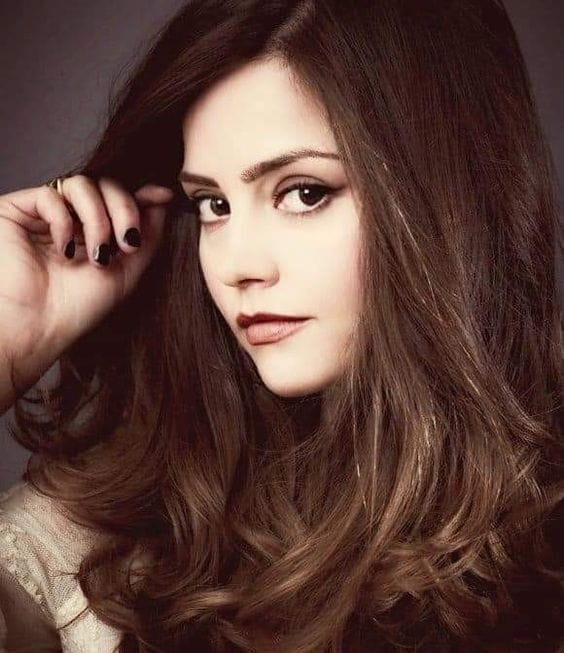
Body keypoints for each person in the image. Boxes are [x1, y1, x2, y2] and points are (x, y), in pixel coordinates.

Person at [0, 0, 563, 650]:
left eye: (304, 193)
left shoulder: (542, 547)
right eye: (212, 204)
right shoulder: (87, 553)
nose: (238, 265)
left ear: (447, 199)